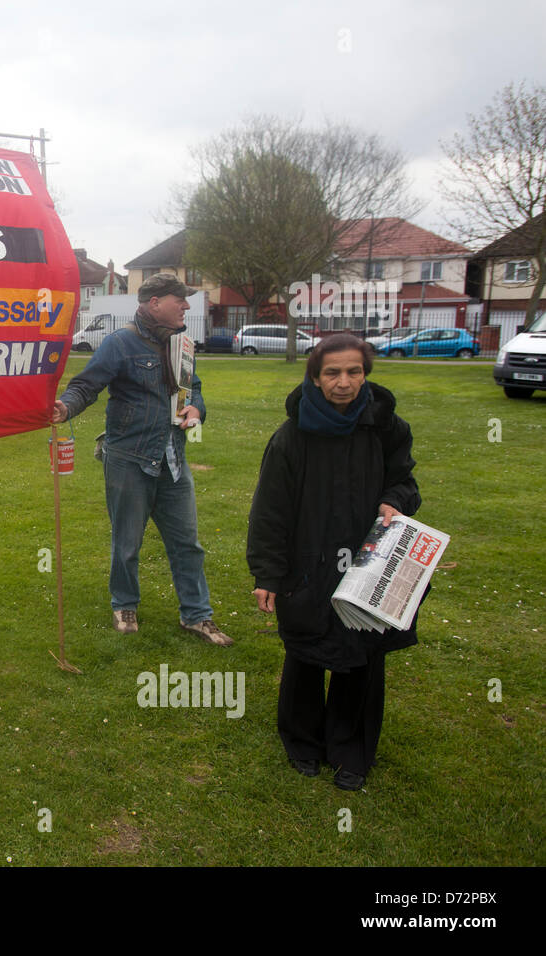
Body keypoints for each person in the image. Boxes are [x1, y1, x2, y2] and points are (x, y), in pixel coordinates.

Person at [247, 333, 421, 791]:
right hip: (308, 561)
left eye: (354, 372)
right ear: (315, 375)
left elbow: (405, 481)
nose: (343, 382)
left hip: (368, 563)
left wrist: (392, 500)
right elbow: (270, 509)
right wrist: (268, 572)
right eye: (332, 373)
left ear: (365, 374)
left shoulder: (386, 426)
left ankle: (352, 749)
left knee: (363, 653)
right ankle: (302, 742)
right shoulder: (292, 436)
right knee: (305, 651)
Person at [51, 272, 231, 646]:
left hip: (173, 461)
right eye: (178, 299)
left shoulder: (181, 344)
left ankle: (197, 616)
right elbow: (87, 385)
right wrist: (65, 408)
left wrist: (196, 410)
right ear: (154, 303)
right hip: (129, 459)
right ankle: (125, 604)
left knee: (187, 544)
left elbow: (193, 391)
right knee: (127, 542)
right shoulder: (120, 343)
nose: (185, 306)